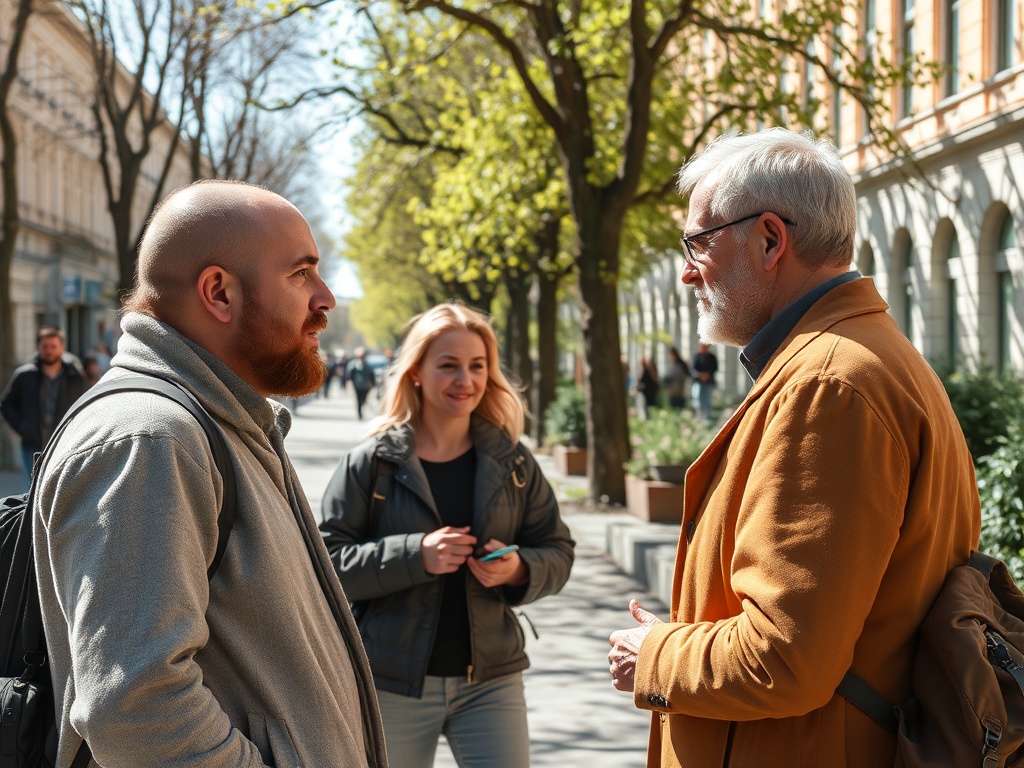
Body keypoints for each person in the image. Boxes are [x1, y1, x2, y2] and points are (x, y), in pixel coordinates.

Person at [607, 129, 980, 767]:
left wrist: (657, 655)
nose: (687, 269)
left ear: (771, 239)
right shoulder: (855, 359)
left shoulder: (829, 384)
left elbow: (783, 658)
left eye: (699, 242)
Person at [31, 180, 387, 767]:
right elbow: (135, 707)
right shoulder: (149, 438)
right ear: (219, 292)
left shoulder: (217, 423)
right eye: (301, 274)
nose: (324, 298)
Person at [320, 302, 575, 768]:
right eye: (449, 365)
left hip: (491, 681)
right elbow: (325, 566)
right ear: (416, 371)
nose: (466, 380)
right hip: (389, 683)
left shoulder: (513, 461)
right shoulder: (371, 462)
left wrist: (521, 569)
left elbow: (557, 549)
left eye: (477, 366)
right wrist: (415, 554)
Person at [1, 326, 89, 485]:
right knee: (34, 489)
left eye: (53, 346)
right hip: (32, 446)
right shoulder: (24, 375)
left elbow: (86, 407)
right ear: (38, 347)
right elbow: (6, 404)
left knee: (59, 489)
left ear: (62, 347)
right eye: (45, 346)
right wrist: (23, 427)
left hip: (64, 445)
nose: (49, 351)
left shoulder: (74, 376)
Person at [690, 342, 717, 421]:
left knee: (707, 399)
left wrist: (707, 375)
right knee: (698, 398)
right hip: (698, 382)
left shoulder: (711, 357)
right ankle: (699, 416)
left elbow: (714, 368)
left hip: (708, 382)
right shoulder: (696, 356)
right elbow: (692, 369)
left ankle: (707, 417)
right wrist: (700, 375)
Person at [347, 346, 376, 420]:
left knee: (364, 399)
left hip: (366, 386)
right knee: (358, 400)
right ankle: (359, 414)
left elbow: (371, 375)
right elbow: (350, 375)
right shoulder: (354, 365)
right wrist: (350, 382)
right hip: (358, 385)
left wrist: (373, 384)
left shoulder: (368, 365)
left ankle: (361, 410)